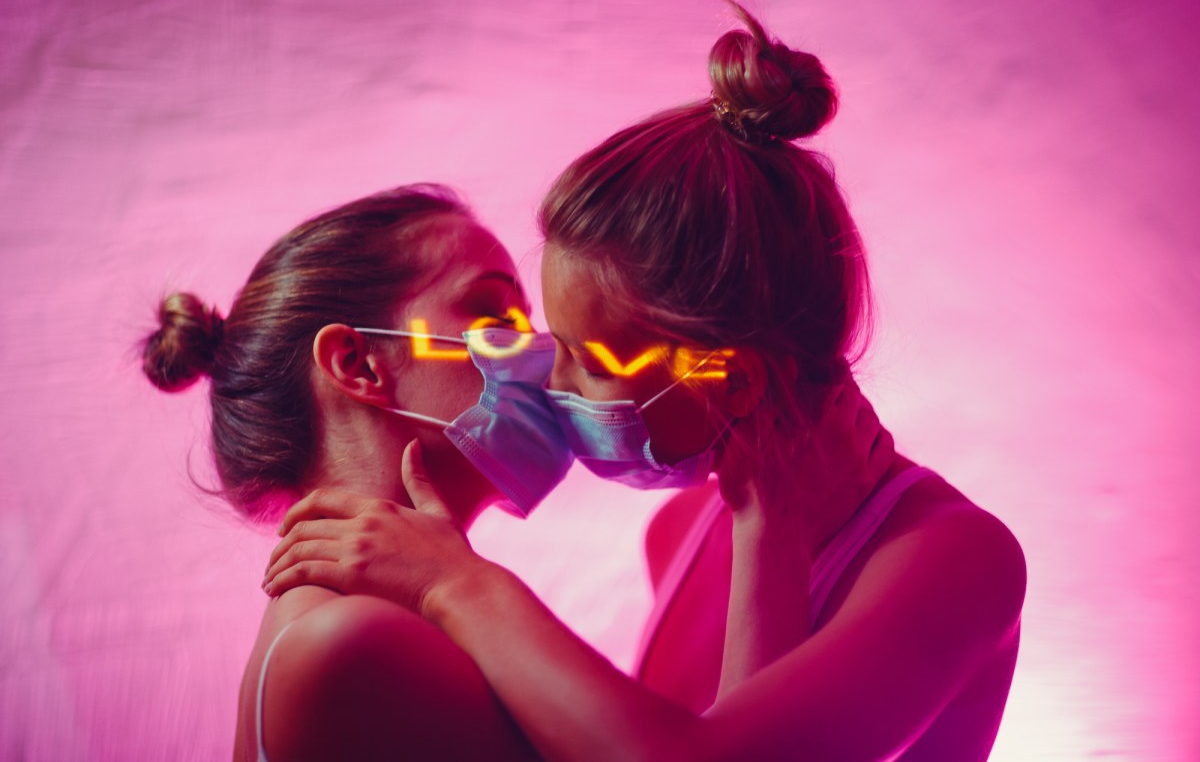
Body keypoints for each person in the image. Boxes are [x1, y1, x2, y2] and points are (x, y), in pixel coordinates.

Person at [265, 4, 1027, 761]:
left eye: (586, 360)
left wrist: (458, 585)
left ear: (731, 380)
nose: (546, 377)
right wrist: (767, 532)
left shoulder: (958, 561)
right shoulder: (685, 529)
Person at [144, 184, 888, 760]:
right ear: (358, 363)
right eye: (496, 317)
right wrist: (776, 523)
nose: (543, 354)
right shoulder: (351, 643)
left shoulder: (402, 616)